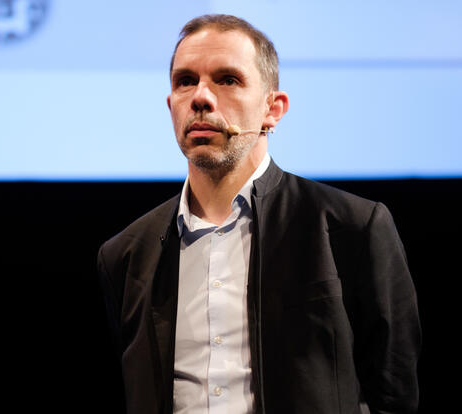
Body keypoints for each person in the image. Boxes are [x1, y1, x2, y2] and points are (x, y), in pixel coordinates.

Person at [97, 14, 420, 414]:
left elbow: (393, 394)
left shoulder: (351, 228)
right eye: (185, 81)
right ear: (171, 106)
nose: (201, 98)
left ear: (273, 109)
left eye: (227, 79)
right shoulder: (127, 254)